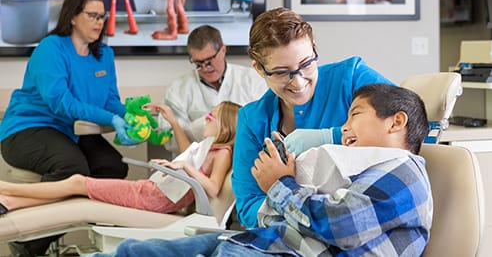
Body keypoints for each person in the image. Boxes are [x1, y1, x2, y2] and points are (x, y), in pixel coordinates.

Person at [85, 83, 433, 256]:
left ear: (396, 122)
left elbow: (343, 224)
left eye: (354, 115)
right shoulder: (361, 169)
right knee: (135, 250)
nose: (343, 128)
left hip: (281, 251)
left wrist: (279, 184)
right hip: (270, 243)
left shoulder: (404, 172)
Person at [232, 7, 396, 229]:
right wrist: (297, 218)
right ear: (260, 69)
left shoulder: (351, 77)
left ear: (315, 49)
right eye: (281, 72)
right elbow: (248, 206)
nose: (298, 82)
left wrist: (331, 136)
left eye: (306, 64)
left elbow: (407, 123)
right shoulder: (252, 120)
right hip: (286, 240)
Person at [0, 0, 136, 255]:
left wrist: (131, 115)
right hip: (25, 130)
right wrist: (112, 119)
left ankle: (91, 239)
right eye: (92, 15)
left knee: (112, 167)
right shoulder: (50, 49)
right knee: (73, 166)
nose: (99, 22)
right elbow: (60, 102)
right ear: (73, 16)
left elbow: (110, 100)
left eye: (102, 16)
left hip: (65, 133)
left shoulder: (103, 55)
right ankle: (28, 243)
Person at [0, 101, 241, 215]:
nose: (206, 118)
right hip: (151, 191)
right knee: (75, 189)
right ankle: (9, 201)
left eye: (212, 115)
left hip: (155, 198)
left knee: (77, 182)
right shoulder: (208, 148)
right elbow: (187, 150)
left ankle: (6, 189)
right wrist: (171, 119)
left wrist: (184, 166)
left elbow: (212, 187)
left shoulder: (223, 153)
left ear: (226, 125)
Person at [157, 24, 268, 155]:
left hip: (246, 158)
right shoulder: (178, 89)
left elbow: (265, 126)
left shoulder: (252, 80)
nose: (205, 68)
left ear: (222, 50)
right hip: (196, 165)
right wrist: (200, 127)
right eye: (198, 63)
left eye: (209, 61)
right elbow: (169, 140)